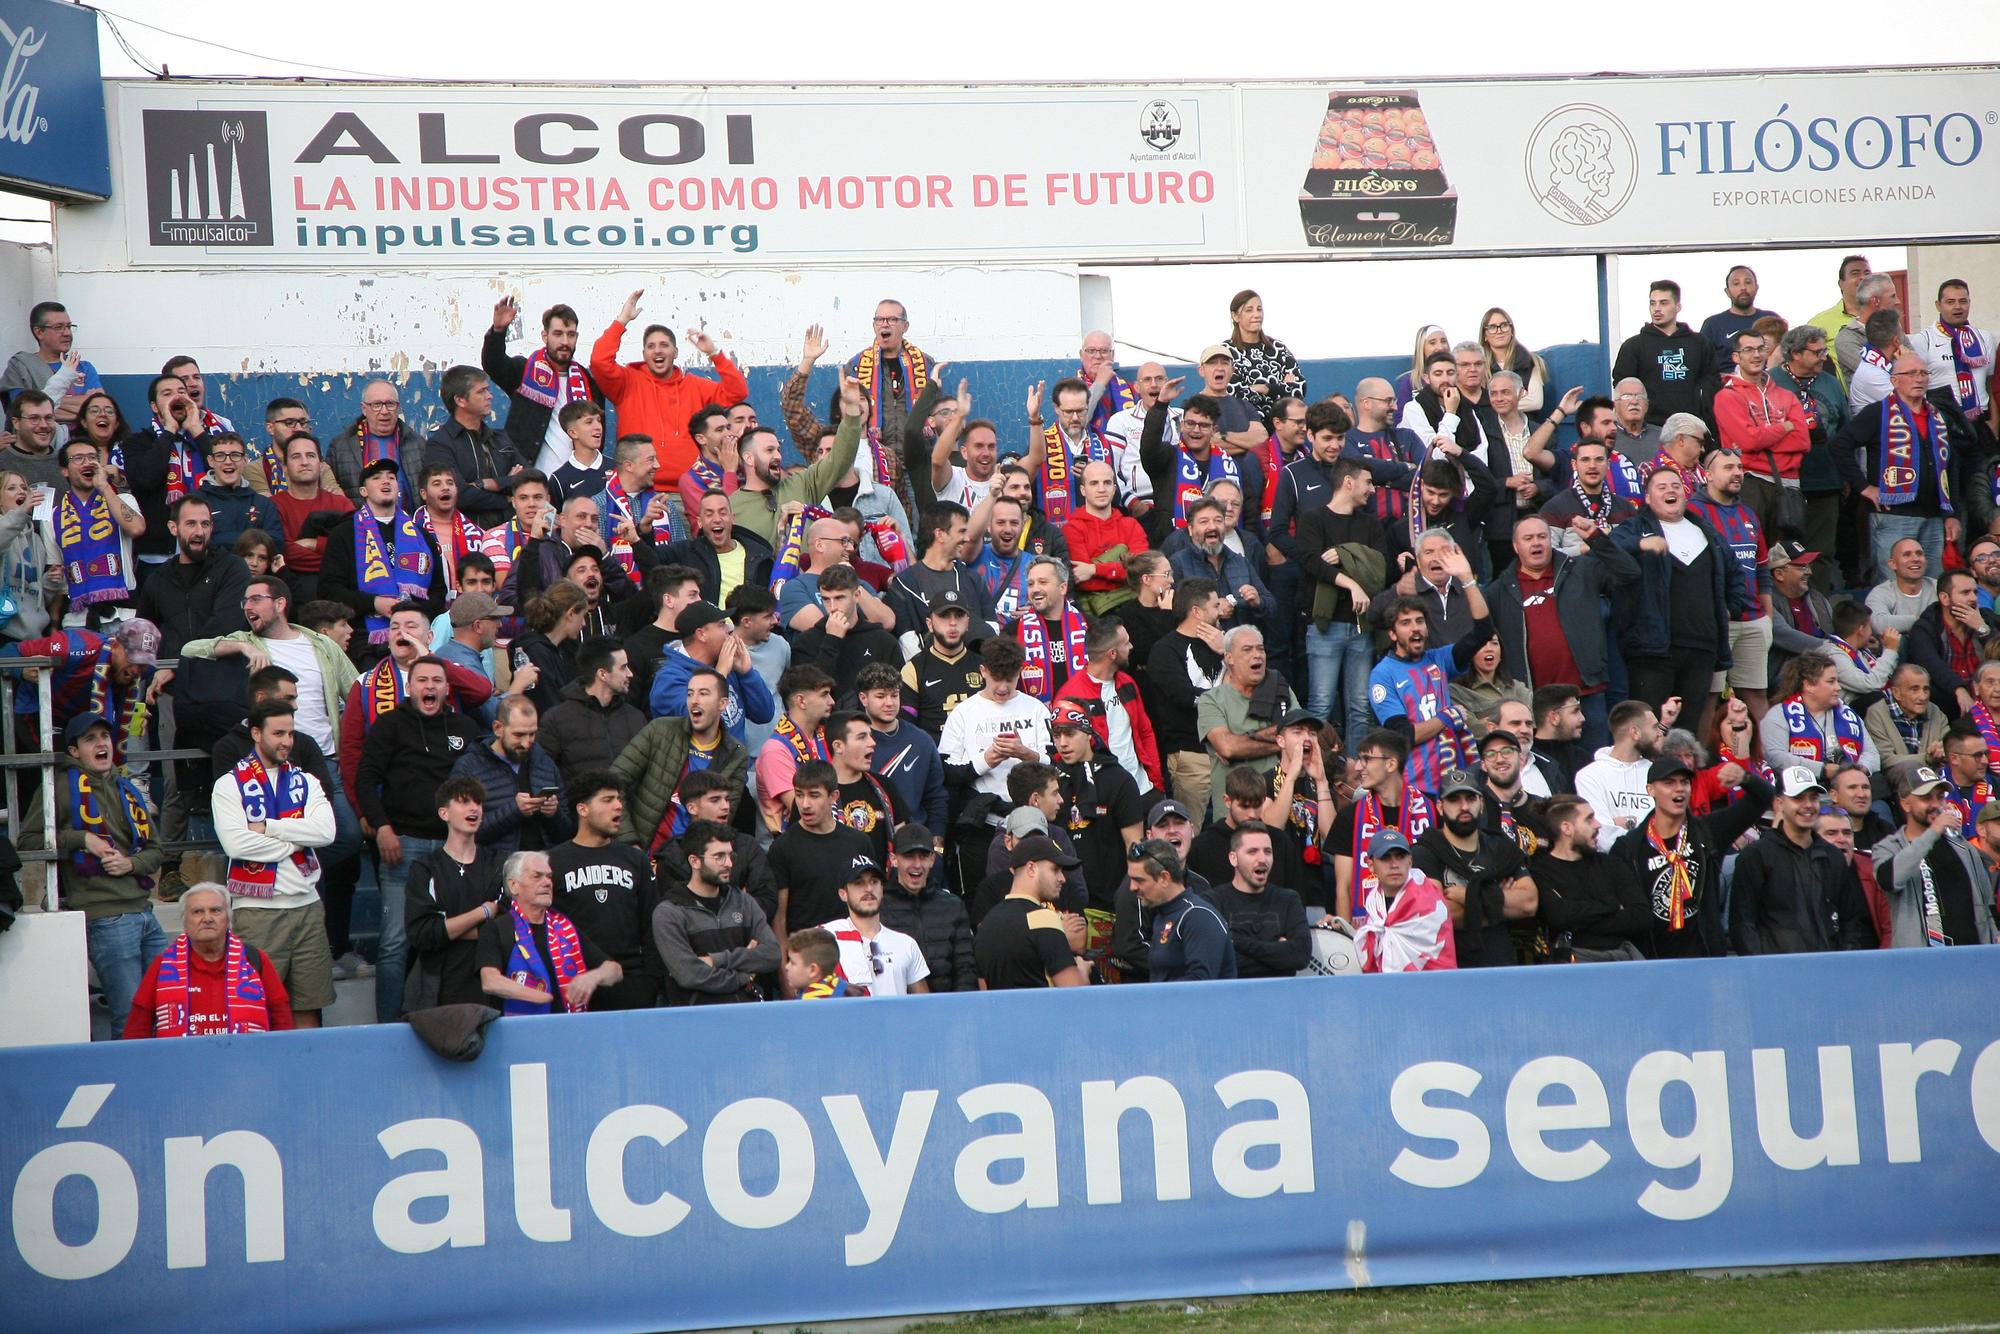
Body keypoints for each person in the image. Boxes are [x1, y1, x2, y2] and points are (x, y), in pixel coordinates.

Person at [19, 715, 168, 1037]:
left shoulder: (126, 786)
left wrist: (132, 864)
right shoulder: (58, 787)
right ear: (73, 751)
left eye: (105, 736)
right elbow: (28, 841)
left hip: (146, 913)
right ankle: (129, 1084)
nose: (102, 744)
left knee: (166, 1012)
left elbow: (157, 850)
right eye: (90, 739)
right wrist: (80, 838)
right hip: (105, 917)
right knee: (130, 1018)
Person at [354, 656, 482, 1020]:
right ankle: (389, 1028)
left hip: (455, 848)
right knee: (395, 942)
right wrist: (381, 827)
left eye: (437, 681)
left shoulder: (466, 726)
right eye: (422, 680)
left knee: (460, 936)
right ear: (410, 687)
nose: (429, 687)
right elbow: (365, 779)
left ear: (446, 688)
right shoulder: (390, 725)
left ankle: (453, 1017)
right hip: (403, 845)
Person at [211, 700, 338, 1026]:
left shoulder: (306, 781)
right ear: (256, 733)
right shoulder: (228, 784)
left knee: (310, 1007)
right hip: (257, 912)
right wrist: (298, 840)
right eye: (278, 733)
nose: (287, 741)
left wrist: (270, 828)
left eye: (291, 733)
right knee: (258, 1010)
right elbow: (236, 844)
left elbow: (326, 832)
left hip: (308, 907)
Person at [1607, 752, 1775, 958]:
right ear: (1650, 790)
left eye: (1684, 782)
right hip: (1651, 961)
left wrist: (1745, 778)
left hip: (1704, 958)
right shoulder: (1628, 847)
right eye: (1669, 783)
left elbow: (1764, 796)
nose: (1679, 788)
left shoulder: (1709, 831)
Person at [1612, 465, 1744, 715]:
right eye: (1661, 487)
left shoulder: (1706, 531)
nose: (1670, 491)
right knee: (1652, 728)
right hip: (1651, 651)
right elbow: (1607, 550)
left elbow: (1736, 572)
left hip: (1702, 648)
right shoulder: (1635, 527)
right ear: (1648, 498)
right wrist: (1640, 544)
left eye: (1675, 486)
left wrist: (1729, 609)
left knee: (1688, 732)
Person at [587, 288, 747, 489]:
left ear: (675, 352)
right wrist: (622, 321)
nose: (658, 350)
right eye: (651, 346)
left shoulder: (695, 386)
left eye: (664, 345)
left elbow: (737, 392)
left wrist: (714, 353)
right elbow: (599, 361)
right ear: (644, 353)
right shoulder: (626, 382)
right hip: (638, 490)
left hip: (691, 490)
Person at [1836, 350, 1960, 579]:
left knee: (1932, 585)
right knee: (1893, 584)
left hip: (1934, 515)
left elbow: (1950, 467)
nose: (1919, 378)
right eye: (1911, 373)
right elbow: (1840, 446)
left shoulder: (1938, 416)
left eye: (1923, 373)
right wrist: (1864, 487)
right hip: (1894, 515)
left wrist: (1953, 514)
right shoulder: (1878, 413)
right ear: (1894, 380)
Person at [541, 770, 660, 1009]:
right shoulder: (552, 861)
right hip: (572, 977)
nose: (618, 806)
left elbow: (650, 922)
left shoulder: (635, 859)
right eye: (607, 800)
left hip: (632, 979)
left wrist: (651, 979)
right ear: (582, 809)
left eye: (619, 799)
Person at [1725, 767, 1874, 954]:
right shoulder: (1756, 855)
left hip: (1827, 970)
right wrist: (1761, 968)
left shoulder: (1833, 856)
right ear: (1779, 804)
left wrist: (1842, 962)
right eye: (1798, 798)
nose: (1808, 805)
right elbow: (1743, 924)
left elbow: (1850, 920)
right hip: (1775, 973)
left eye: (1813, 798)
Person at [1370, 568, 1492, 795]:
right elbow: (1403, 736)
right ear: (1392, 634)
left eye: (1419, 621)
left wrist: (1466, 580)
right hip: (1416, 787)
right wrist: (1446, 717)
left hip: (1456, 783)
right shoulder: (1382, 675)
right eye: (1405, 623)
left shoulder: (1439, 658)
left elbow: (1483, 632)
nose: (1415, 628)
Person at [122, 885, 294, 1037]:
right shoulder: (164, 965)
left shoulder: (255, 959)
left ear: (228, 919)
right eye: (197, 912)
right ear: (185, 922)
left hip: (246, 1065)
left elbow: (281, 1019)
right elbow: (138, 1028)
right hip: (181, 1066)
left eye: (215, 910)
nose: (207, 918)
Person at [612, 667, 750, 855]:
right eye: (690, 693)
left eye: (703, 693)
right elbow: (614, 782)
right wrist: (629, 841)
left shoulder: (736, 754)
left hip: (692, 861)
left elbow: (724, 817)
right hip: (646, 853)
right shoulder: (660, 730)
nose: (694, 700)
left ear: (722, 703)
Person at [1684, 448, 1775, 725]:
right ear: (1708, 474)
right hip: (1716, 622)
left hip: (1753, 620)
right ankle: (1702, 765)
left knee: (1757, 694)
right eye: (1728, 467)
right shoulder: (1692, 513)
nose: (1737, 472)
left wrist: (1767, 618)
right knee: (1708, 697)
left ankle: (1771, 763)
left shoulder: (1748, 513)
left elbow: (1762, 569)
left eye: (1739, 467)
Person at [1411, 768, 1537, 967]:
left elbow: (1529, 902)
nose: (1464, 806)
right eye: (1454, 800)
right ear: (1440, 807)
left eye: (1471, 798)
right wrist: (1499, 903)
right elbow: (1438, 916)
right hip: (1448, 966)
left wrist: (1467, 895)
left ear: (1481, 804)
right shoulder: (1425, 852)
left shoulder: (1501, 846)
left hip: (1500, 964)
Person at [401, 776, 506, 1011]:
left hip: (492, 977)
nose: (474, 808)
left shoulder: (499, 862)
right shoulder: (425, 868)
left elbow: (509, 927)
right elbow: (422, 933)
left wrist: (448, 928)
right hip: (440, 984)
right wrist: (484, 911)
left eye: (478, 803)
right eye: (464, 802)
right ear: (444, 813)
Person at [477, 849, 622, 1014]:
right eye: (537, 876)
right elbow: (490, 981)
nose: (547, 883)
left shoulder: (565, 929)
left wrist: (593, 977)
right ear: (513, 885)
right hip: (520, 1033)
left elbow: (615, 971)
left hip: (567, 1030)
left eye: (549, 877)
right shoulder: (498, 928)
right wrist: (541, 996)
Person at [651, 816, 778, 1005]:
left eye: (730, 855)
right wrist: (743, 977)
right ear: (694, 861)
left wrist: (715, 960)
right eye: (719, 856)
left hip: (747, 1011)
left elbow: (772, 954)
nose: (729, 864)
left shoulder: (744, 902)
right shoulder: (669, 912)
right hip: (698, 1019)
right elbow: (689, 974)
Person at [1871, 764, 1998, 947]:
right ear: (1905, 803)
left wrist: (1994, 936)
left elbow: (1988, 902)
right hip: (1921, 962)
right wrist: (1933, 832)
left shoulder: (1962, 846)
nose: (1935, 804)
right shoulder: (1889, 846)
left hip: (1970, 956)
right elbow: (1889, 880)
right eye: (1926, 798)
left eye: (1939, 797)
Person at [483, 297, 605, 475]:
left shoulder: (587, 380)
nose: (565, 341)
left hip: (578, 483)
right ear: (545, 336)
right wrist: (498, 331)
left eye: (570, 334)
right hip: (534, 482)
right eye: (558, 334)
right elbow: (493, 364)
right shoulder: (524, 371)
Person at [1328, 729, 1434, 923]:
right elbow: (1344, 887)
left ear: (1391, 764)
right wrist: (1348, 939)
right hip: (1367, 930)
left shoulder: (1430, 811)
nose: (1359, 767)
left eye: (1366, 759)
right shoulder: (1349, 818)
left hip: (1420, 927)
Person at [1528, 797, 1651, 962]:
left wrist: (1579, 919)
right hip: (1573, 963)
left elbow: (1641, 917)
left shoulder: (1612, 864)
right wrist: (1613, 905)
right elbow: (1559, 916)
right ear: (1567, 828)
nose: (1597, 824)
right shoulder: (1540, 871)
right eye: (1589, 819)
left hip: (1624, 958)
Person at [1142, 578, 1227, 815]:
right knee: (1190, 829)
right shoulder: (1165, 650)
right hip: (1191, 755)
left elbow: (1252, 684)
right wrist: (1229, 701)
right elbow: (1184, 696)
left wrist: (1226, 650)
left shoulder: (1223, 642)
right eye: (1215, 606)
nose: (1221, 611)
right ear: (1197, 612)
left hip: (1230, 751)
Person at [939, 633, 1054, 804]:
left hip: (1033, 811)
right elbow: (945, 771)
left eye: (1009, 679)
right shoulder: (963, 712)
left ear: (1020, 672)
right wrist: (986, 760)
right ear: (983, 671)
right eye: (997, 679)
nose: (1003, 688)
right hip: (984, 815)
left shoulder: (1036, 709)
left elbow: (1055, 764)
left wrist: (1025, 754)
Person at [767, 760, 876, 939]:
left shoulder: (859, 843)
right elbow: (779, 919)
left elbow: (870, 902)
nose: (805, 804)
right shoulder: (782, 847)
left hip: (852, 950)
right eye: (799, 795)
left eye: (814, 795)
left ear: (833, 796)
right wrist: (784, 965)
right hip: (805, 951)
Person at [1714, 330, 1810, 530]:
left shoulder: (1786, 396)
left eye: (1761, 349)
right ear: (1736, 357)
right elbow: (1749, 440)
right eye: (1748, 350)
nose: (1756, 355)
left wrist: (1762, 437)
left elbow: (1802, 441)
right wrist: (1784, 427)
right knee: (1756, 553)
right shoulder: (1727, 396)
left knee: (1789, 556)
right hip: (1750, 483)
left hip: (1789, 485)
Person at [1199, 625, 1299, 817]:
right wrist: (1284, 742)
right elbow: (1228, 747)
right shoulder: (1211, 699)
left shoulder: (1282, 691)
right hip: (1234, 816)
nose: (1257, 655)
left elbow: (1302, 738)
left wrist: (1245, 740)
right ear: (1229, 658)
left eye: (1260, 649)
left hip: (1282, 808)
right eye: (1247, 650)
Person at [734, 401, 864, 548]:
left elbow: (840, 458)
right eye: (769, 450)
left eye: (778, 449)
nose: (778, 456)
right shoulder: (733, 507)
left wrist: (852, 410)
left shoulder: (802, 484)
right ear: (749, 458)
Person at [455, 696, 571, 856]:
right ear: (497, 728)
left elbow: (566, 833)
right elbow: (462, 830)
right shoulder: (470, 767)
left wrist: (553, 814)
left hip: (543, 866)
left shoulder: (545, 763)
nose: (526, 743)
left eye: (532, 734)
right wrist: (514, 811)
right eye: (519, 735)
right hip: (493, 869)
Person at [973, 835, 1085, 989]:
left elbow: (985, 992)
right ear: (1031, 868)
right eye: (1055, 869)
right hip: (1044, 1011)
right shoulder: (1044, 919)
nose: (1062, 878)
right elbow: (1075, 993)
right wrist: (1083, 972)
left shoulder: (987, 924)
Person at [537, 635, 645, 788]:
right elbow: (542, 774)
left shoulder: (636, 718)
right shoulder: (556, 720)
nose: (630, 674)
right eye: (623, 667)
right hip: (578, 809)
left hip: (627, 809)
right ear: (602, 674)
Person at [856, 662, 946, 844]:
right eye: (880, 696)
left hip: (913, 842)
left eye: (894, 695)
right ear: (863, 698)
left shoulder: (921, 740)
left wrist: (938, 848)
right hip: (866, 838)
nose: (889, 703)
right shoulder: (852, 741)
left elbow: (936, 796)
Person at [878, 823, 975, 992]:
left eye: (923, 856)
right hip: (896, 1009)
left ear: (932, 859)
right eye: (909, 856)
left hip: (947, 1009)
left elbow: (965, 968)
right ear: (894, 859)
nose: (917, 864)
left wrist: (962, 1011)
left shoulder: (953, 905)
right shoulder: (879, 907)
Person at [1206, 821, 1309, 978]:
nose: (1262, 859)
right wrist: (1277, 952)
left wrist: (1235, 942)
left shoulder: (1288, 900)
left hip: (1279, 997)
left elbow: (1300, 955)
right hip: (1231, 997)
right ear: (1233, 858)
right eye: (1252, 852)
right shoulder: (1213, 902)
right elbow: (1216, 961)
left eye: (1267, 852)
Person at [818, 853, 930, 997]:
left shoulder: (906, 943)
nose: (869, 889)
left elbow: (924, 1003)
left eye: (874, 881)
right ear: (843, 894)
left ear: (882, 889)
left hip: (894, 1019)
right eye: (859, 883)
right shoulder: (826, 937)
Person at [1126, 839, 1236, 981]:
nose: (1132, 887)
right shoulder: (1164, 915)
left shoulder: (1199, 917)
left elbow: (1201, 984)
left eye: (1139, 880)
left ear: (1164, 878)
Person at [1612, 279, 1718, 424]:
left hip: (1692, 425)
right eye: (1652, 303)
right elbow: (1622, 386)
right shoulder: (1633, 346)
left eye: (1663, 303)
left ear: (1678, 306)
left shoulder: (1699, 343)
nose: (1656, 309)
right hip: (1649, 428)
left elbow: (1712, 382)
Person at [1352, 829, 1456, 973]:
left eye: (1400, 856)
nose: (1394, 864)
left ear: (1410, 861)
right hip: (1386, 990)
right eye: (1385, 858)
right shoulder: (1374, 904)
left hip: (1431, 989)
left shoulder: (1429, 900)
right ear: (1370, 865)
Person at [1576, 699, 1671, 850]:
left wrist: (1622, 822)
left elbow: (1669, 826)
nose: (1660, 734)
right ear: (1635, 733)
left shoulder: (1657, 773)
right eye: (1654, 728)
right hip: (1611, 866)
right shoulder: (1589, 776)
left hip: (1656, 862)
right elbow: (1601, 834)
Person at [1905, 569, 1995, 720]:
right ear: (1945, 598)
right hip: (1949, 704)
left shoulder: (1986, 619)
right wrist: (1958, 689)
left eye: (1975, 592)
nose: (1973, 598)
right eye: (1965, 593)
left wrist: (1983, 629)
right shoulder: (1925, 628)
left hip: (1990, 697)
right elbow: (1932, 665)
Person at [755, 664, 835, 832]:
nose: (832, 702)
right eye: (824, 695)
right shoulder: (776, 751)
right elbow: (803, 809)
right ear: (801, 701)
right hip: (789, 847)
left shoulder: (823, 736)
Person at [899, 589, 986, 742]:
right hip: (933, 756)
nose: (952, 623)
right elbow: (906, 728)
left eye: (959, 616)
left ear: (968, 623)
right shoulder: (913, 669)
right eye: (944, 616)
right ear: (929, 624)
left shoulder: (985, 666)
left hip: (980, 755)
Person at [1914, 278, 1995, 429]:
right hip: (1943, 422)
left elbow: (1990, 384)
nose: (1958, 307)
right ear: (1938, 305)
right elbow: (1917, 388)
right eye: (1950, 302)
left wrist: (1995, 423)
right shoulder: (1923, 340)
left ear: (1970, 303)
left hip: (1981, 421)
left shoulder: (1985, 338)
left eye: (1963, 301)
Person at [826, 709, 902, 867]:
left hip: (883, 887)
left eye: (870, 735)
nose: (872, 742)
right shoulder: (816, 792)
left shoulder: (885, 786)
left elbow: (901, 841)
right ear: (838, 746)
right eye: (862, 737)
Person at [1767, 541, 1845, 685]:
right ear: (1779, 574)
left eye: (1808, 566)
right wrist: (1837, 648)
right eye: (1802, 567)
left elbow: (1836, 631)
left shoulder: (1816, 597)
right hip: (1786, 674)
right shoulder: (1766, 600)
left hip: (1825, 666)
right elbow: (1784, 635)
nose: (1809, 572)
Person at [1866, 662, 1949, 784]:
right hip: (1897, 784)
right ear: (1896, 693)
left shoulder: (1936, 712)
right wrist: (1927, 758)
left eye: (1926, 689)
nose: (1923, 696)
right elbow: (1885, 760)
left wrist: (1943, 752)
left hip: (1936, 780)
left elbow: (1949, 750)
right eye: (1914, 689)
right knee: (1908, 768)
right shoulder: (1877, 713)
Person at [1698, 265, 1778, 371]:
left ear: (1756, 287)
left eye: (1748, 282)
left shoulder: (1771, 319)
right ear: (1727, 292)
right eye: (1736, 284)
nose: (1743, 287)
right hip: (1725, 385)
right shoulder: (1713, 324)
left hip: (1767, 383)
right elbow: (1701, 364)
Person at [1866, 537, 1937, 636]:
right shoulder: (1881, 593)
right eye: (1907, 555)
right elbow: (1877, 624)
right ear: (1893, 564)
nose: (1915, 559)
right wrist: (1924, 619)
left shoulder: (1938, 587)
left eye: (1919, 554)